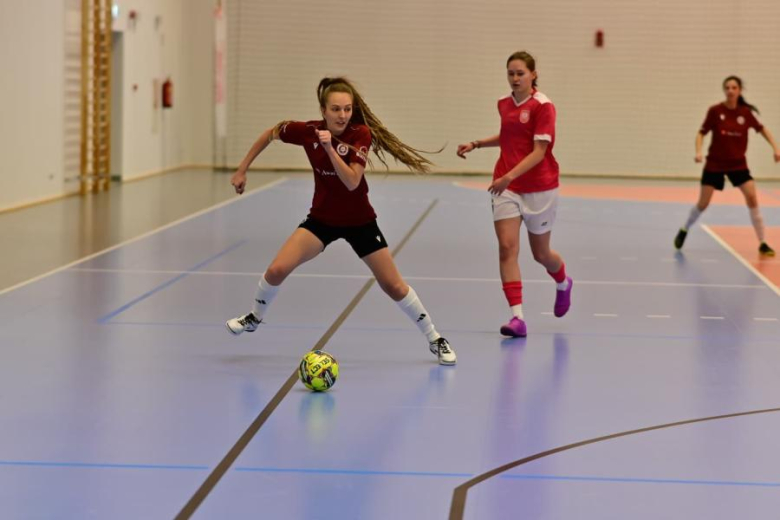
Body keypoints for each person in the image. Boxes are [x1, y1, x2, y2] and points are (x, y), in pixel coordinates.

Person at [226, 77, 456, 365]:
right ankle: (254, 317)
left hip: (360, 222)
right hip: (322, 219)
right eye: (335, 109)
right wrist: (242, 169)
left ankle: (435, 338)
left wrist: (329, 150)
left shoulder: (361, 134)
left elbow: (352, 181)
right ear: (323, 110)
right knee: (276, 269)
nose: (342, 115)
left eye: (347, 109)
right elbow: (271, 133)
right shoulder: (307, 131)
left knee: (393, 285)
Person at [456, 51, 572, 338]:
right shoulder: (504, 104)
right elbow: (509, 136)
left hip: (540, 187)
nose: (515, 78)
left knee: (541, 254)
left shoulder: (543, 106)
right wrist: (476, 143)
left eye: (520, 73)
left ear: (533, 74)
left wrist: (509, 176)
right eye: (511, 73)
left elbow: (539, 151)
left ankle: (562, 281)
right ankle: (517, 318)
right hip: (507, 188)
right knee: (507, 248)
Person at [675, 76, 780, 256]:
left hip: (738, 165)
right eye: (727, 87)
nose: (730, 90)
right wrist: (698, 152)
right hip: (715, 164)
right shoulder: (715, 111)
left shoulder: (745, 113)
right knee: (703, 203)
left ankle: (762, 242)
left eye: (734, 87)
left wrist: (775, 148)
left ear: (739, 91)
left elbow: (763, 130)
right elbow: (701, 134)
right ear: (724, 90)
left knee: (752, 197)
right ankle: (685, 228)